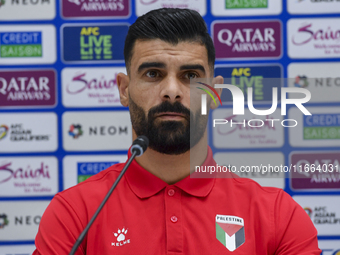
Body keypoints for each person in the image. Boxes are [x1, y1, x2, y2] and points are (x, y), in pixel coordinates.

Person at [33, 8, 321, 255]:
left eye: (191, 76)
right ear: (124, 90)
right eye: (153, 74)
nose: (171, 91)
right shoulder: (74, 214)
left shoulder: (277, 215)